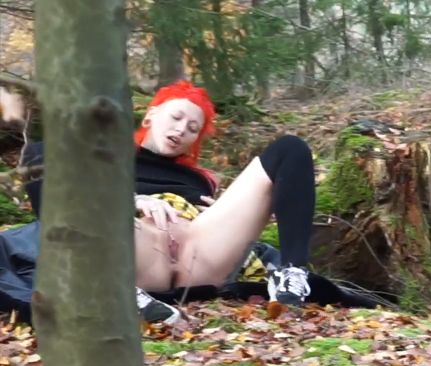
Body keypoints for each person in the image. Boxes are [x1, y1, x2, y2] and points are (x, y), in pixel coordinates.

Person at [20, 80, 318, 324]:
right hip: (129, 250)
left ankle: (292, 277)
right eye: (176, 117)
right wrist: (129, 200)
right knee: (41, 154)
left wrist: (222, 213)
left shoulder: (199, 179)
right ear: (150, 115)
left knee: (290, 148)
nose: (182, 129)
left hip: (198, 256)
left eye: (193, 128)